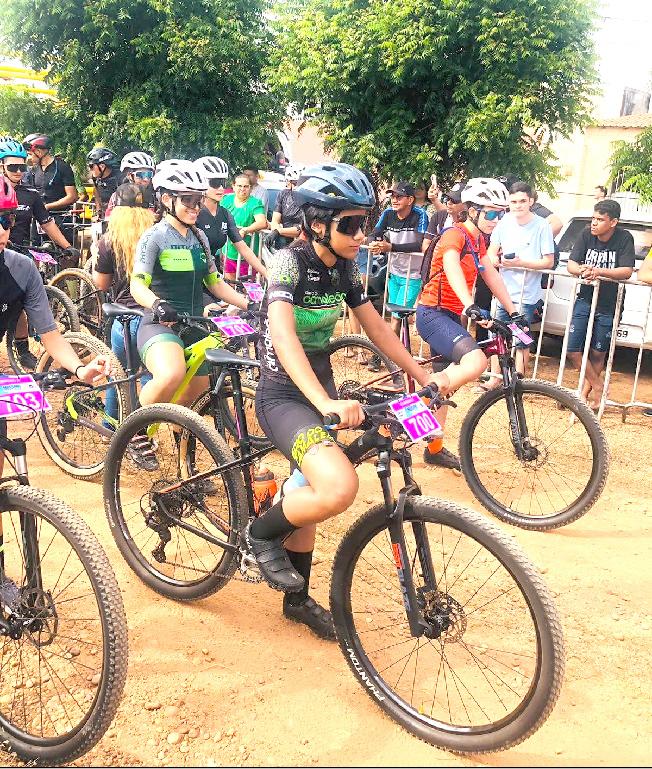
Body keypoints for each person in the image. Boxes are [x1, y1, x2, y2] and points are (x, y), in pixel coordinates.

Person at [246, 162, 445, 638]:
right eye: (351, 224)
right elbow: (284, 338)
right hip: (283, 394)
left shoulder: (345, 268)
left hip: (321, 390)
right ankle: (260, 534)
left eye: (365, 222)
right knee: (337, 488)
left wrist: (423, 377)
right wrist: (324, 402)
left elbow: (377, 328)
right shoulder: (288, 263)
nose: (362, 234)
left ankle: (297, 600)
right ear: (317, 224)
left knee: (309, 486)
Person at [416, 178, 528, 470]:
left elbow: (490, 274)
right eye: (491, 213)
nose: (496, 219)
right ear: (473, 210)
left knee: (445, 382)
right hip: (432, 313)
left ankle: (433, 447)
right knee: (475, 361)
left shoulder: (479, 240)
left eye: (500, 214)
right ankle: (412, 409)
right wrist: (469, 303)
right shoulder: (455, 234)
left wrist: (514, 312)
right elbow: (451, 266)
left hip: (451, 315)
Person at [0, 176, 109, 473]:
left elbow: (50, 335)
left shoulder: (22, 269)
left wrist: (79, 369)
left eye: (6, 220)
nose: (2, 230)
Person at [130, 162, 251, 410]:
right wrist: (157, 303)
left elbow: (215, 283)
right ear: (167, 199)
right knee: (171, 374)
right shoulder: (154, 236)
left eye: (198, 200)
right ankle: (134, 428)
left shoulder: (199, 237)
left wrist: (251, 304)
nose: (196, 207)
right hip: (161, 324)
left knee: (194, 400)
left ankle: (180, 436)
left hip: (195, 324)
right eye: (188, 200)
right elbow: (137, 284)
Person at [1, 137, 80, 369]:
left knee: (21, 300)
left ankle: (22, 348)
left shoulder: (30, 193)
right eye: (13, 167)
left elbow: (47, 222)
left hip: (18, 252)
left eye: (22, 167)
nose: (19, 171)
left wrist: (66, 246)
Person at [92, 183, 155, 426]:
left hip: (125, 318)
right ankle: (143, 430)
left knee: (118, 378)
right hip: (153, 318)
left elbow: (101, 284)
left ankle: (112, 428)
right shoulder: (157, 236)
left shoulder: (109, 241)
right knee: (151, 376)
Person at [566, 199, 635, 409]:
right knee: (573, 349)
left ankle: (584, 395)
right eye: (593, 218)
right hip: (585, 299)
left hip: (609, 303)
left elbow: (627, 271)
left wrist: (598, 272)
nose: (594, 223)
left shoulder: (624, 238)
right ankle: (599, 387)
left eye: (600, 220)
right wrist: (582, 270)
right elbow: (571, 264)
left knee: (598, 352)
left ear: (613, 222)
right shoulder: (586, 234)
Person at [485, 181, 555, 378]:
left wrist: (520, 263)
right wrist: (494, 259)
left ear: (531, 201)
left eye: (522, 201)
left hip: (526, 294)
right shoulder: (504, 222)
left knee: (521, 337)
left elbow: (548, 261)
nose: (518, 205)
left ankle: (519, 377)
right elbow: (491, 251)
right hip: (502, 291)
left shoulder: (542, 225)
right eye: (514, 201)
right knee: (496, 333)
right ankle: (495, 377)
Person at [368, 181, 428, 335]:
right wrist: (374, 242)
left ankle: (386, 349)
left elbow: (421, 244)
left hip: (412, 275)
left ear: (410, 199)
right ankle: (399, 347)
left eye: (399, 197)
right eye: (392, 197)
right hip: (393, 272)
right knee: (396, 315)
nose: (394, 200)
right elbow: (375, 232)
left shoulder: (420, 214)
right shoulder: (388, 213)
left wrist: (391, 247)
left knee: (396, 317)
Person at [193, 156, 267, 277]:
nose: (221, 188)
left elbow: (243, 248)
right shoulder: (193, 214)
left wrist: (268, 274)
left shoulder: (224, 213)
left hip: (209, 272)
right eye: (215, 183)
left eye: (223, 183)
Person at [22, 133, 78, 245]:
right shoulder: (33, 170)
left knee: (64, 252)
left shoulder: (62, 167)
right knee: (36, 251)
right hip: (39, 220)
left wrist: (47, 207)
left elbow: (72, 196)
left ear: (39, 152)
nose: (29, 158)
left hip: (60, 218)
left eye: (30, 154)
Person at [221, 174, 268, 281]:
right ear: (233, 186)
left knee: (246, 285)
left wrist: (245, 230)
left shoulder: (255, 203)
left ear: (250, 188)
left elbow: (262, 222)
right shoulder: (226, 200)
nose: (242, 189)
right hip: (228, 251)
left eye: (246, 186)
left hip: (247, 254)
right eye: (239, 186)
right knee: (229, 283)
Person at [104, 151, 156, 217]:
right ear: (129, 175)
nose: (146, 179)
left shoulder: (154, 197)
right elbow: (109, 219)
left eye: (149, 174)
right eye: (140, 174)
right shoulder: (117, 197)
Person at [269, 165, 304, 248]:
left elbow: (301, 228)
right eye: (295, 183)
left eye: (300, 183)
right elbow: (275, 220)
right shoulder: (283, 194)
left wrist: (279, 231)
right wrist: (276, 230)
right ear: (289, 183)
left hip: (301, 240)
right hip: (284, 238)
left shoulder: (307, 199)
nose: (297, 187)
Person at [87, 147, 121, 218]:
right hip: (105, 217)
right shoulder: (95, 179)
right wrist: (98, 213)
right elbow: (97, 197)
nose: (89, 169)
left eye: (91, 166)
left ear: (102, 166)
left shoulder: (120, 179)